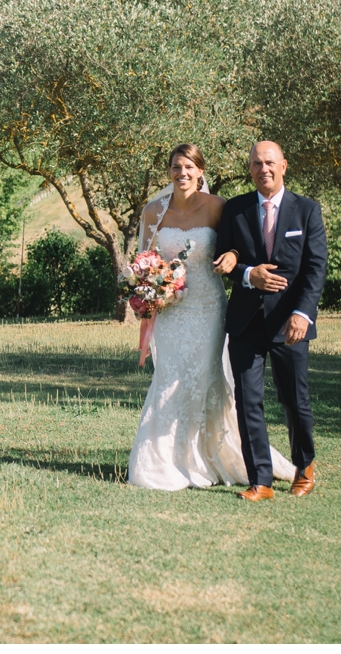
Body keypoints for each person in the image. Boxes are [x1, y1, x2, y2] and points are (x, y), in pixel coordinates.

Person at [127, 143, 294, 491]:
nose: (182, 173)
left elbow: (236, 245)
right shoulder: (152, 212)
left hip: (209, 309)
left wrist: (233, 258)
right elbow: (143, 260)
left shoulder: (219, 207)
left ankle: (206, 456)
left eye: (189, 167)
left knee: (205, 380)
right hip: (172, 311)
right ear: (169, 171)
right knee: (169, 378)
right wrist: (151, 285)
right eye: (176, 167)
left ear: (200, 171)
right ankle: (163, 462)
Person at [212, 140, 326, 501]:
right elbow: (224, 258)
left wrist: (302, 314)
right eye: (257, 163)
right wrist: (248, 275)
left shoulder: (307, 211)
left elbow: (315, 268)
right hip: (246, 322)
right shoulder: (236, 209)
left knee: (295, 400)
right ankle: (260, 480)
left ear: (284, 166)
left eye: (270, 162)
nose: (264, 169)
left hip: (290, 323)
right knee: (248, 402)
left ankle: (304, 468)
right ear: (250, 169)